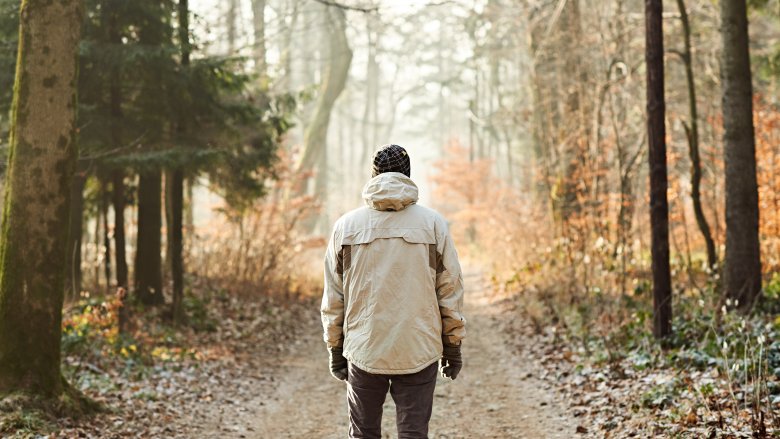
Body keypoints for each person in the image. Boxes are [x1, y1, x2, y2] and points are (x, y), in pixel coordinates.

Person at [321, 144, 466, 439]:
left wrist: (335, 347)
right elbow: (449, 288)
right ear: (408, 175)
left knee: (364, 434)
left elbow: (334, 295)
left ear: (373, 175)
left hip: (364, 349)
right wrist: (452, 344)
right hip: (418, 347)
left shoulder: (346, 226)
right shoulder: (433, 224)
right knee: (413, 433)